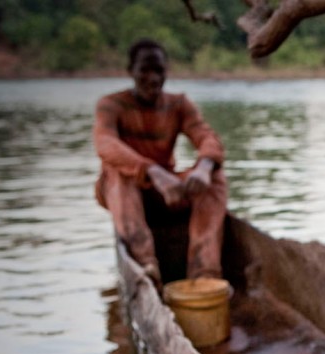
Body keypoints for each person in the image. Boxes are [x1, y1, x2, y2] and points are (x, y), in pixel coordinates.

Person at [93, 38, 227, 289]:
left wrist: (204, 168)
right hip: (127, 194)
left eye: (159, 71)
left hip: (168, 195)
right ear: (131, 71)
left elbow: (208, 138)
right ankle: (145, 265)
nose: (152, 78)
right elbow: (105, 144)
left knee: (215, 177)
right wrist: (152, 171)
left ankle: (205, 273)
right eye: (145, 70)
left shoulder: (179, 104)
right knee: (117, 172)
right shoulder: (111, 105)